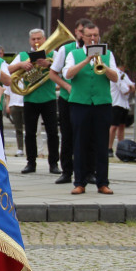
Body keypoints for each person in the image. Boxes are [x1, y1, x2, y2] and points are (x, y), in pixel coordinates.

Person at [63, 23, 119, 195]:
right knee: (80, 143)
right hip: (80, 104)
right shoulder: (74, 54)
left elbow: (116, 77)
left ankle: (103, 182)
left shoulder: (108, 54)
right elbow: (67, 74)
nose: (93, 38)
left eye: (96, 35)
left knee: (102, 144)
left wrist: (103, 66)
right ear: (83, 37)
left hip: (102, 104)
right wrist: (87, 60)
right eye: (89, 36)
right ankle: (79, 182)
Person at [11, 28, 60, 174]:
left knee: (52, 132)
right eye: (34, 39)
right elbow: (7, 70)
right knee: (30, 133)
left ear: (45, 39)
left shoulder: (53, 54)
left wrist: (49, 65)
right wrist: (21, 65)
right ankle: (31, 163)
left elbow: (63, 71)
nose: (37, 42)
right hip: (30, 99)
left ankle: (54, 164)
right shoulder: (23, 56)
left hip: (49, 98)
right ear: (29, 41)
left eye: (39, 38)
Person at [49, 18, 92, 184]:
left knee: (88, 136)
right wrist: (66, 87)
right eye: (81, 32)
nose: (83, 35)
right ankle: (67, 171)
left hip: (88, 99)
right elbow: (53, 73)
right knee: (67, 135)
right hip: (68, 98)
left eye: (86, 33)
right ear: (76, 32)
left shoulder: (96, 50)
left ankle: (89, 172)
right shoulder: (65, 49)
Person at [109, 66, 135, 156]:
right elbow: (125, 90)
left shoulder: (124, 74)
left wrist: (130, 88)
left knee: (122, 126)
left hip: (124, 104)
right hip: (116, 103)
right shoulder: (115, 73)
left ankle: (121, 148)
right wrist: (129, 88)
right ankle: (109, 148)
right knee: (113, 126)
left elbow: (132, 86)